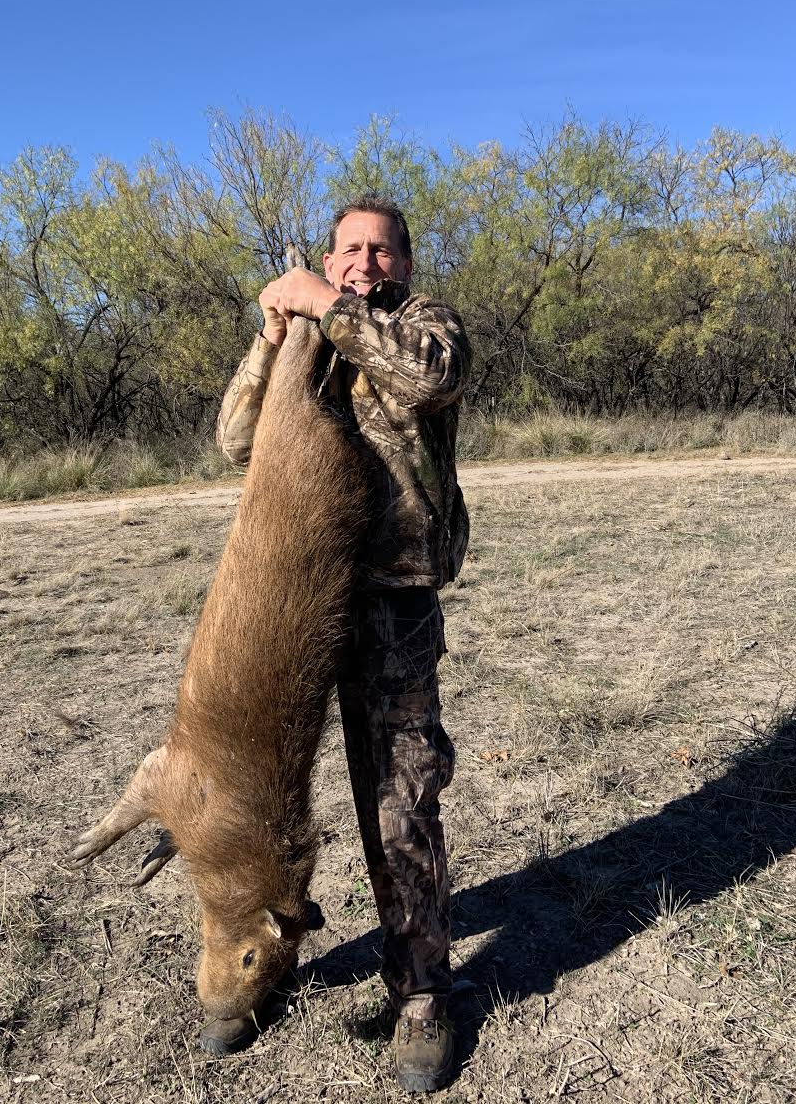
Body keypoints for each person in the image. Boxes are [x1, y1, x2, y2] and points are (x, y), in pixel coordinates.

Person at [206, 195, 471, 1094]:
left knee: (401, 799)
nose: (365, 261)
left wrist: (325, 304)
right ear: (330, 256)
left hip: (392, 603)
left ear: (405, 261)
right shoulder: (308, 343)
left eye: (381, 250)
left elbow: (428, 380)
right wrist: (274, 336)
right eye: (349, 249)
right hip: (292, 601)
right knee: (261, 800)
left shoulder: (424, 324)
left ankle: (421, 993)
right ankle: (258, 964)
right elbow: (236, 441)